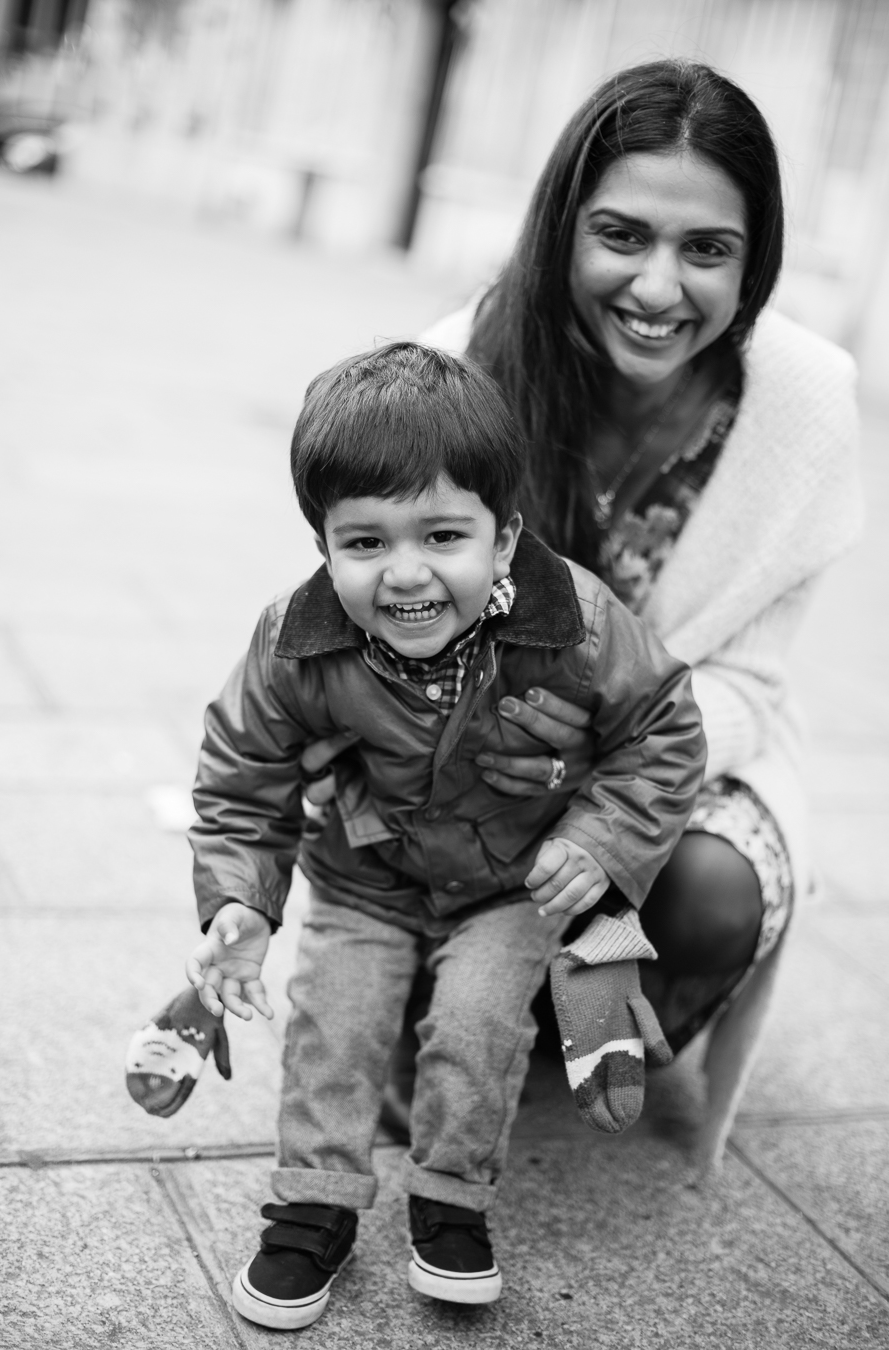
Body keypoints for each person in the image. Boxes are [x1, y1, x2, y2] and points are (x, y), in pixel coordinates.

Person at [305, 57, 863, 1063]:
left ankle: (596, 1031)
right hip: (475, 750)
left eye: (707, 248)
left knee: (709, 897)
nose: (658, 287)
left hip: (684, 754)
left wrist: (603, 744)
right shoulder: (463, 365)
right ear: (564, 226)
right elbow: (375, 607)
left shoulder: (810, 401)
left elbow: (755, 682)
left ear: (756, 258)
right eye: (621, 235)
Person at [183, 341, 706, 1330]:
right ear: (322, 545)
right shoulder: (294, 644)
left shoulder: (579, 624)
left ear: (504, 540)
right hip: (364, 877)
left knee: (475, 1024)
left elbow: (665, 731)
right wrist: (242, 901)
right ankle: (313, 1205)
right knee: (332, 1023)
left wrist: (599, 837)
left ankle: (451, 1198)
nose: (406, 573)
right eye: (366, 542)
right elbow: (241, 775)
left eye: (443, 535)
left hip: (510, 881)